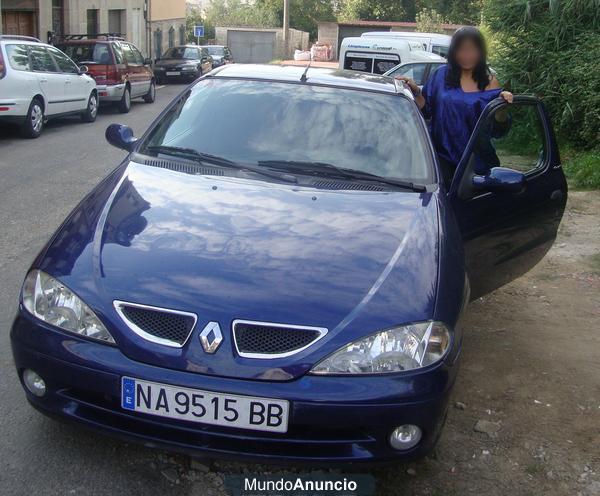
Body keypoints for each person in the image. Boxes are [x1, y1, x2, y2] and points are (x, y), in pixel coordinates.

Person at [396, 26, 513, 185]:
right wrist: (416, 91)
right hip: (440, 159)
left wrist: (502, 108)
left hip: (477, 164)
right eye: (461, 50)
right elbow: (427, 110)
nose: (467, 55)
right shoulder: (441, 75)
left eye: (472, 50)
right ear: (453, 51)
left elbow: (497, 131)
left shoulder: (490, 82)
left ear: (481, 52)